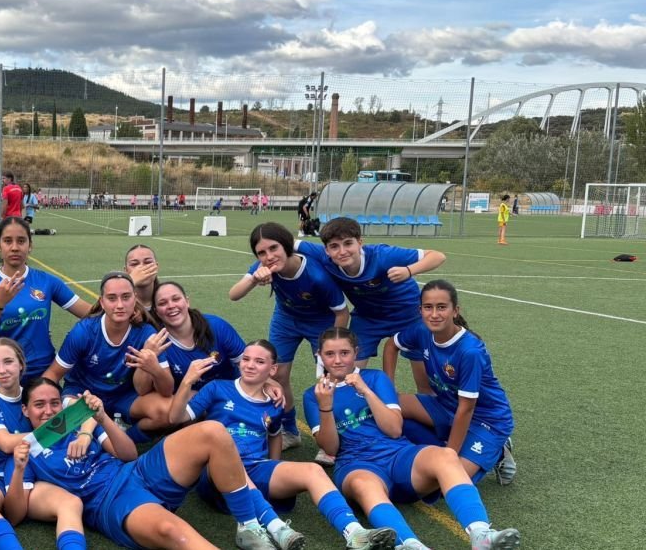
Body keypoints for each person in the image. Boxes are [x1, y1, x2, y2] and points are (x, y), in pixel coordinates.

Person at [5, 378, 292, 550]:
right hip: (110, 503)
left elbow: (129, 454)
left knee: (213, 431)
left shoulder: (74, 421)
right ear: (25, 409)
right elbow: (15, 515)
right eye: (39, 405)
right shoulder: (25, 451)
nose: (48, 411)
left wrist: (100, 420)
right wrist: (18, 469)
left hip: (136, 471)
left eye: (54, 403)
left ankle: (249, 526)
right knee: (173, 532)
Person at [305, 328, 521, 550]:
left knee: (446, 456)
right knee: (364, 485)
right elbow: (331, 448)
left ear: (356, 352)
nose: (338, 360)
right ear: (319, 356)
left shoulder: (375, 378)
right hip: (356, 465)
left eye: (345, 353)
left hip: (398, 455)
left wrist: (366, 391)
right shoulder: (313, 395)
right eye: (330, 354)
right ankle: (409, 545)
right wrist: (326, 406)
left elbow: (394, 429)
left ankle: (481, 534)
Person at [171, 340, 397, 550]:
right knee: (236, 466)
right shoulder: (218, 388)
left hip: (256, 468)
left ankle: (355, 533)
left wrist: (274, 465)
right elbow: (176, 418)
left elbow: (274, 434)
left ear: (272, 370)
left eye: (259, 361)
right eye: (246, 359)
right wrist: (188, 381)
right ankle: (277, 529)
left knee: (313, 469)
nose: (250, 365)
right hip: (217, 475)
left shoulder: (274, 403)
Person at [230, 222, 349, 454]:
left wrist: (330, 343)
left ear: (287, 246)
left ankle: (332, 438)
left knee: (329, 378)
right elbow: (234, 294)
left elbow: (342, 312)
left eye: (274, 248)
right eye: (261, 252)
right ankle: (290, 431)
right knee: (278, 374)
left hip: (321, 324)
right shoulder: (263, 266)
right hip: (286, 321)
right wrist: (254, 278)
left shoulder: (316, 275)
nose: (269, 256)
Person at [383, 281, 516, 485]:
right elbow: (391, 345)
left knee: (442, 482)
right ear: (420, 310)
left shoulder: (470, 351)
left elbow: (466, 409)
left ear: (455, 311)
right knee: (389, 409)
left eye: (442, 307)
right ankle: (443, 441)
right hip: (446, 405)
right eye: (428, 307)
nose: (434, 314)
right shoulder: (422, 330)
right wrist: (388, 390)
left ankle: (498, 451)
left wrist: (449, 457)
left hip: (487, 420)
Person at [0, 338, 88, 550]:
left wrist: (85, 431)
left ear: (21, 363)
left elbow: (87, 408)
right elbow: (5, 443)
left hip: (36, 473)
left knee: (70, 503)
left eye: (8, 361)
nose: (2, 370)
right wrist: (61, 425)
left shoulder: (36, 393)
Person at [296, 217, 445, 372]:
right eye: (334, 246)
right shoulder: (324, 256)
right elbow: (285, 242)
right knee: (349, 373)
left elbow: (437, 256)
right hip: (368, 318)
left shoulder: (383, 255)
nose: (342, 251)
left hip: (407, 315)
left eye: (348, 243)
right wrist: (268, 267)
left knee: (425, 379)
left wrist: (408, 271)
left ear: (360, 242)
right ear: (327, 250)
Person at [44, 272, 174, 441]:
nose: (120, 305)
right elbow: (53, 374)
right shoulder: (84, 332)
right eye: (112, 298)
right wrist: (43, 403)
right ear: (102, 302)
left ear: (135, 299)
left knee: (168, 411)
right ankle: (101, 432)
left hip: (123, 397)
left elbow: (167, 390)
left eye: (126, 297)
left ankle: (126, 436)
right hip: (83, 395)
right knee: (71, 418)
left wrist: (153, 366)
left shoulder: (147, 334)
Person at [0, 217, 92, 380]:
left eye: (21, 241)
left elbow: (89, 312)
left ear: (30, 245)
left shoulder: (46, 281)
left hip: (42, 374)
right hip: (3, 376)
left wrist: (127, 293)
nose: (14, 247)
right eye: (8, 241)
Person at [153, 281, 246, 395]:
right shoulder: (158, 343)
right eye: (163, 303)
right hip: (192, 400)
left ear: (187, 301)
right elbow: (166, 392)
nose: (171, 306)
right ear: (156, 312)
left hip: (231, 394)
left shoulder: (216, 326)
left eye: (176, 299)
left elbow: (247, 364)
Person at [124, 244, 160, 309]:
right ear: (126, 271)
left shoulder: (168, 299)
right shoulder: (120, 305)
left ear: (156, 267)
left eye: (148, 262)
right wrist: (130, 282)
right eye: (134, 264)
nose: (141, 267)